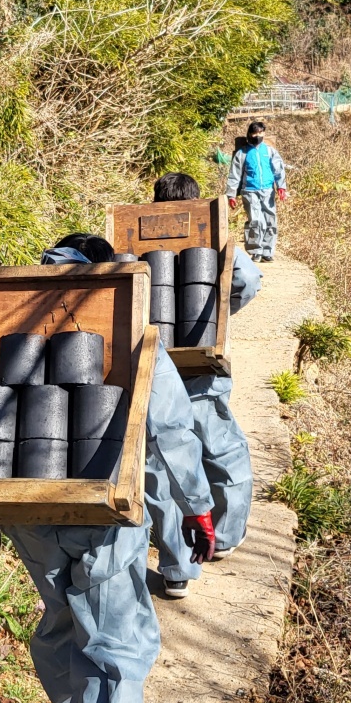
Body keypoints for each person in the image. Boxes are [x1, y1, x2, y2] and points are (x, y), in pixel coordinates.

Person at [0, 233, 215, 703]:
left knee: (60, 620)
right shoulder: (122, 308)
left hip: (22, 503)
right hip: (99, 509)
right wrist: (197, 505)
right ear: (110, 266)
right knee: (119, 646)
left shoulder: (13, 309)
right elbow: (171, 427)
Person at [147, 173, 261, 583]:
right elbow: (248, 280)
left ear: (154, 201)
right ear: (196, 203)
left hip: (152, 365)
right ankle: (225, 537)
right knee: (220, 449)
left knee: (163, 462)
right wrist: (218, 314)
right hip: (200, 364)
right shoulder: (211, 233)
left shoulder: (133, 234)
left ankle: (178, 567)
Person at [225, 121, 287, 263]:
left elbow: (278, 169)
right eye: (254, 133)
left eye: (260, 132)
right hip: (250, 191)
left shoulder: (270, 151)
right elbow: (234, 175)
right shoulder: (242, 153)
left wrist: (281, 187)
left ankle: (267, 251)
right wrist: (231, 194)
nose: (257, 135)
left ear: (264, 133)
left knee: (270, 220)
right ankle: (256, 251)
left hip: (268, 190)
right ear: (249, 134)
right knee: (256, 221)